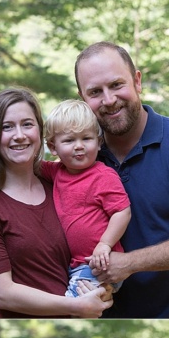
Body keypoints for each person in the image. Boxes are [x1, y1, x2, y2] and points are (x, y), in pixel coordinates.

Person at [73, 42, 169, 318]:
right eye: (95, 92)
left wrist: (129, 264)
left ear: (137, 81)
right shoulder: (77, 158)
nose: (109, 100)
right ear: (82, 98)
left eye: (116, 85)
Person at [0, 88, 113, 318]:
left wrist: (103, 288)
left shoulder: (62, 185)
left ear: (40, 131)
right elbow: (3, 294)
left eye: (27, 124)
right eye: (6, 127)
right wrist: (75, 306)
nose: (19, 135)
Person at [41, 99, 132, 298]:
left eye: (87, 138)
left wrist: (105, 244)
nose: (79, 146)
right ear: (52, 147)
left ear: (99, 143)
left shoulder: (103, 176)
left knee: (71, 305)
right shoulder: (56, 172)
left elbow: (122, 211)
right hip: (76, 264)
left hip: (100, 262)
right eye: (69, 140)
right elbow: (29, 165)